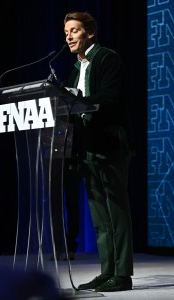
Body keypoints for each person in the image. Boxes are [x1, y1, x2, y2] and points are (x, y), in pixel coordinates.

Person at [63, 11, 134, 292]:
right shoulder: (75, 67)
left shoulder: (107, 58)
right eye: (66, 31)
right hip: (86, 148)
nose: (68, 36)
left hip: (109, 144)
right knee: (99, 216)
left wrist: (77, 100)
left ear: (90, 33)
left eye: (75, 30)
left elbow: (110, 98)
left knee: (116, 212)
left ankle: (123, 274)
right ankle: (107, 271)